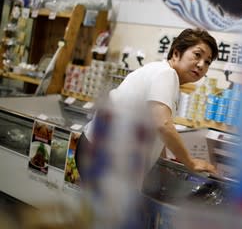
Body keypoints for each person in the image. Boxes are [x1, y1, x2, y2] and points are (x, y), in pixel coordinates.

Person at [75, 28, 218, 186]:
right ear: (176, 53)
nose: (201, 65)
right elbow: (163, 125)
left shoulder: (160, 72)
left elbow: (155, 126)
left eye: (207, 62)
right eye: (197, 55)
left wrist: (162, 159)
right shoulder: (166, 74)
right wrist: (190, 162)